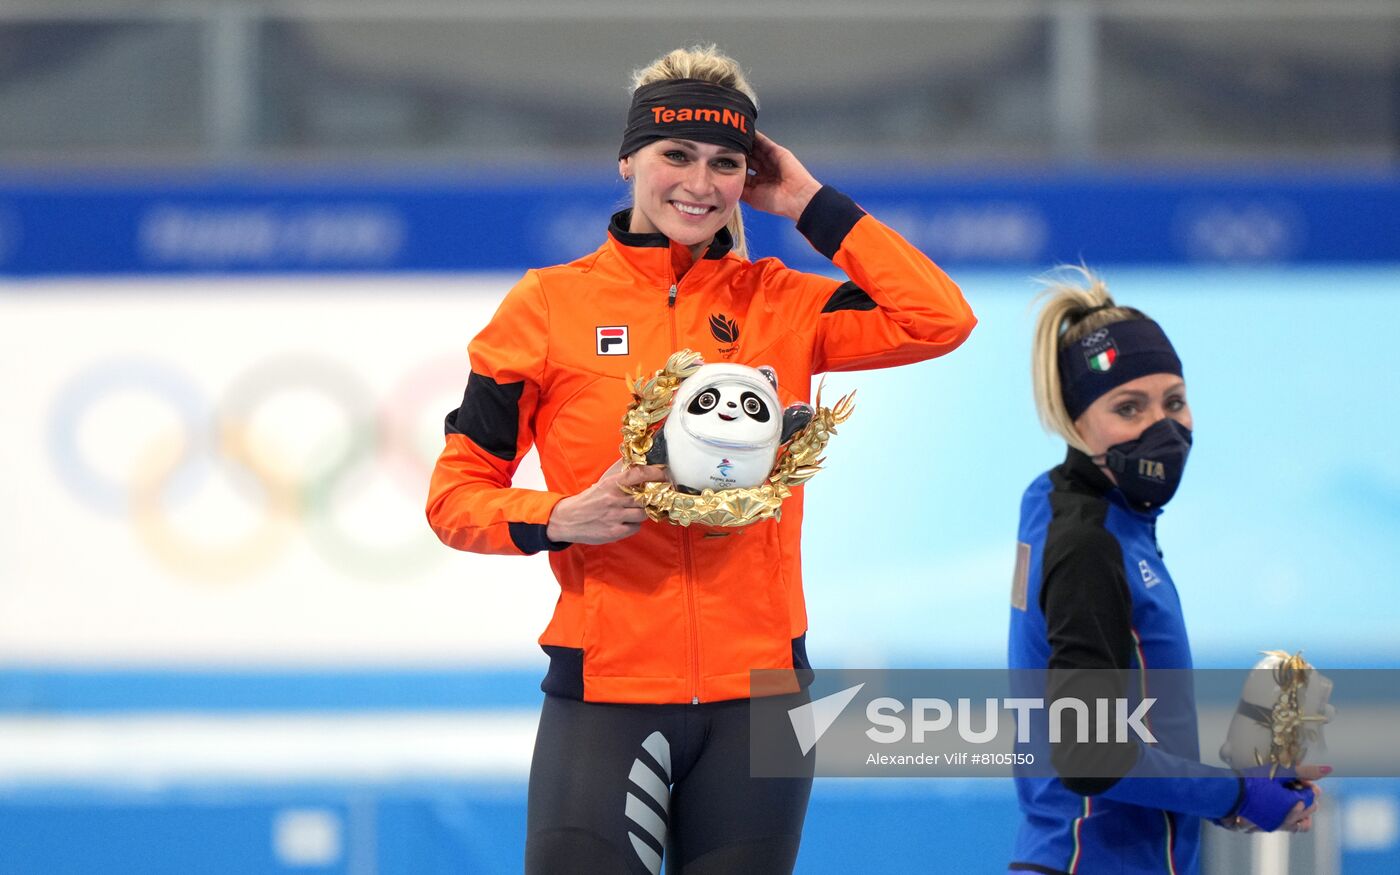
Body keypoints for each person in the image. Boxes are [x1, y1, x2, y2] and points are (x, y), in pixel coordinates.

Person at [427, 45, 976, 874]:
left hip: (761, 702)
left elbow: (940, 318)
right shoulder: (545, 307)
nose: (700, 180)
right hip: (608, 691)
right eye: (675, 154)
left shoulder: (784, 303)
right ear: (627, 160)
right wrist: (557, 516)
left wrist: (807, 202)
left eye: (726, 163)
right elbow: (454, 496)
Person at [1006, 268, 1323, 875]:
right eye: (1129, 408)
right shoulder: (1089, 544)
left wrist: (1233, 792)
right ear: (1076, 423)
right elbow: (1089, 755)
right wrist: (1236, 795)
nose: (1164, 428)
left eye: (1174, 402)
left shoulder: (1066, 504)